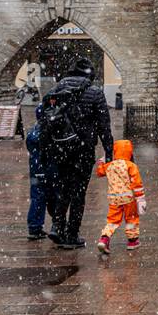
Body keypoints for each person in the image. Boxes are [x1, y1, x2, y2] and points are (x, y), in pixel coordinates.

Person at [39, 57, 114, 249]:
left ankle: (57, 226)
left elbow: (44, 117)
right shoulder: (94, 92)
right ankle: (72, 234)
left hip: (61, 147)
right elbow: (104, 125)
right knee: (79, 192)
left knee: (63, 188)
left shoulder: (57, 90)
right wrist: (108, 151)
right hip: (83, 148)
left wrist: (47, 147)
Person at [96, 139, 146, 254]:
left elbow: (99, 172)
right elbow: (137, 183)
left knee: (112, 221)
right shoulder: (131, 166)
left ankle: (104, 238)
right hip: (129, 199)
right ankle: (132, 241)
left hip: (114, 199)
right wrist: (141, 198)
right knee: (131, 219)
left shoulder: (110, 165)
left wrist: (101, 161)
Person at [25, 119, 54, 240]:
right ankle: (57, 225)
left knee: (36, 197)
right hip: (48, 170)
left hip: (35, 171)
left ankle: (34, 226)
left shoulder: (32, 134)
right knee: (53, 197)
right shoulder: (49, 134)